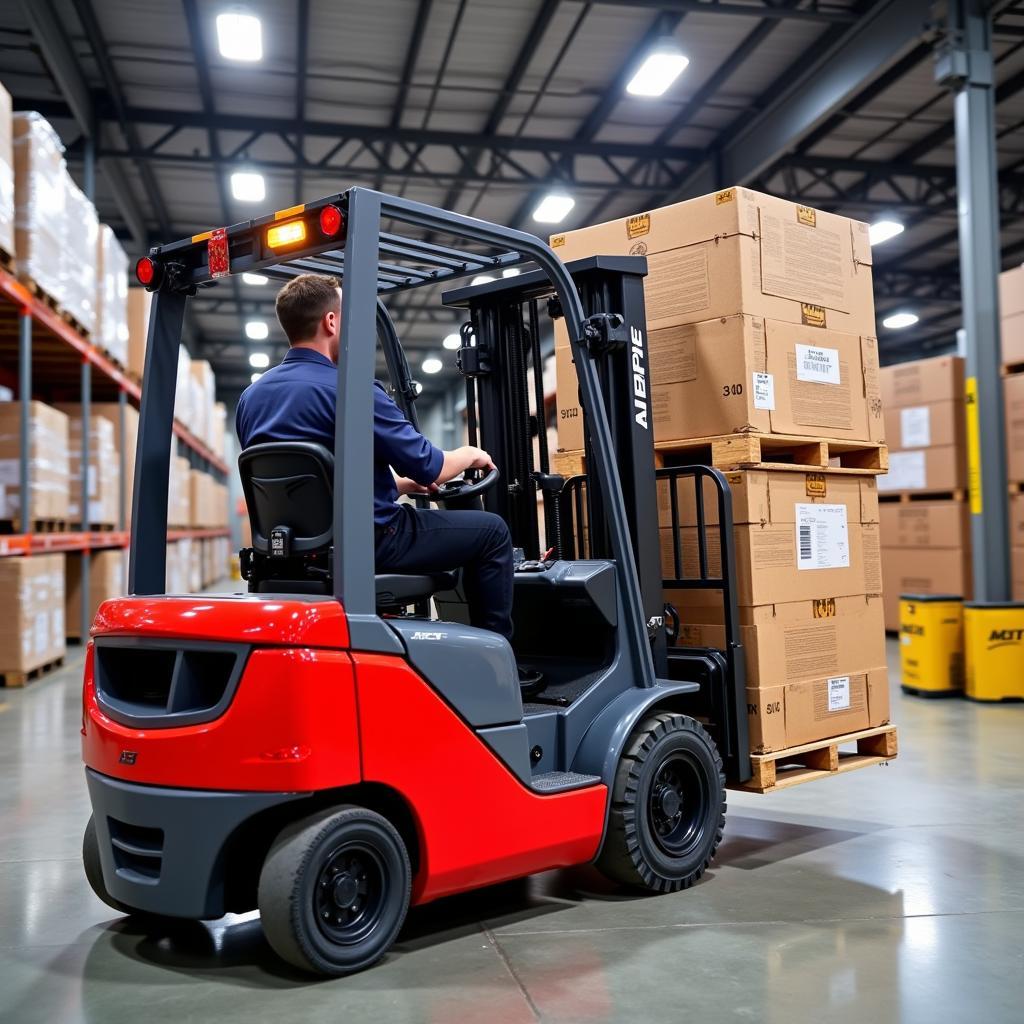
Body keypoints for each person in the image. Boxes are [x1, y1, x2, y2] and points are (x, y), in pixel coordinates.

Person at [235, 273, 514, 641]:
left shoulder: (251, 398)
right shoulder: (351, 390)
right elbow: (432, 466)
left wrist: (397, 485)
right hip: (373, 542)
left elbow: (310, 479)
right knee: (493, 532)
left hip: (288, 551)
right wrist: (469, 453)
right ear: (330, 322)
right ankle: (499, 663)